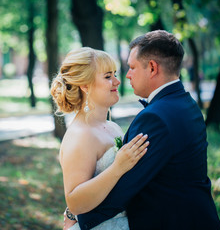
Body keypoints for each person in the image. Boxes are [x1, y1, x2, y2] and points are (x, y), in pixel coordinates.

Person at [75, 30, 220, 230]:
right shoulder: (187, 104)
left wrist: (78, 218)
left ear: (152, 68)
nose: (126, 75)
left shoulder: (155, 118)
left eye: (132, 67)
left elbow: (126, 186)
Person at [50, 47, 149, 230]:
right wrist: (117, 168)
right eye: (108, 76)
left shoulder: (113, 127)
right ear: (85, 86)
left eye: (115, 74)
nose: (117, 81)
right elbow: (75, 203)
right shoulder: (80, 135)